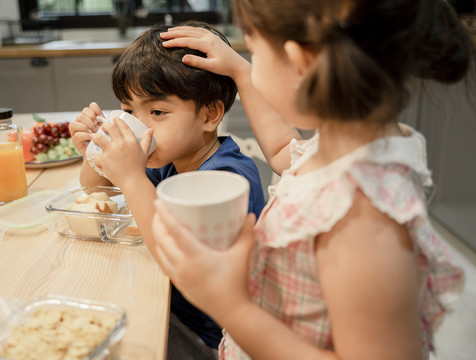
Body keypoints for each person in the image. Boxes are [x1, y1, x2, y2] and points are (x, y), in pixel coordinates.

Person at [152, 0, 474, 359]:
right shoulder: (345, 146)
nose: (252, 66)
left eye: (255, 53)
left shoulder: (363, 219)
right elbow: (280, 149)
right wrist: (241, 72)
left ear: (301, 63)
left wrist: (232, 307)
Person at [68, 21, 265, 354]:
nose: (139, 125)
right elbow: (94, 190)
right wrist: (94, 150)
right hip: (172, 308)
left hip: (214, 338)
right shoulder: (174, 158)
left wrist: (131, 177)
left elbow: (177, 257)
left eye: (157, 111)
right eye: (130, 111)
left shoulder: (225, 178)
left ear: (210, 114)